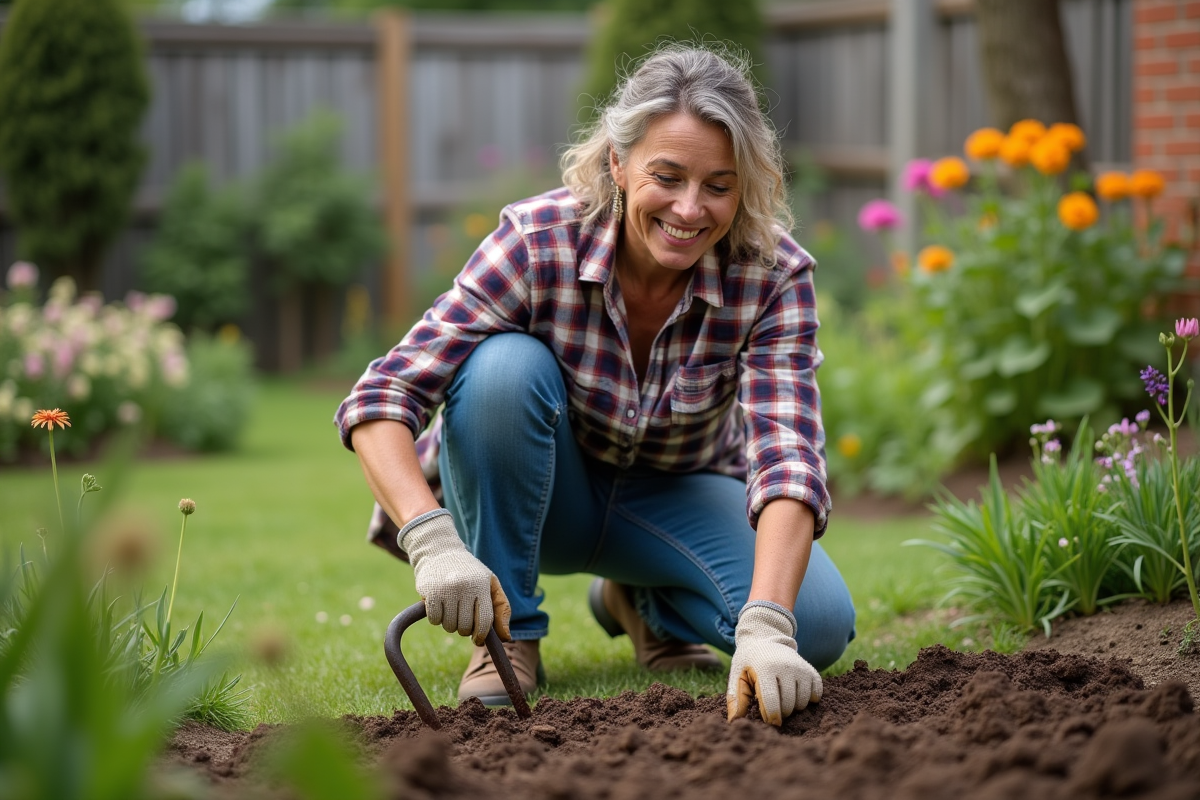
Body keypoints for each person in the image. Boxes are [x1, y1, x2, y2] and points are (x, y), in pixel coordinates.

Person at [335, 42, 855, 727]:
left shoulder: (771, 275)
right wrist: (431, 540)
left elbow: (787, 457)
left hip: (673, 497)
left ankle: (636, 601)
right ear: (618, 162)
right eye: (666, 176)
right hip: (539, 502)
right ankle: (509, 635)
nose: (691, 209)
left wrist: (766, 628)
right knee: (501, 371)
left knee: (812, 626)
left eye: (719, 186)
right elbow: (382, 398)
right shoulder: (536, 240)